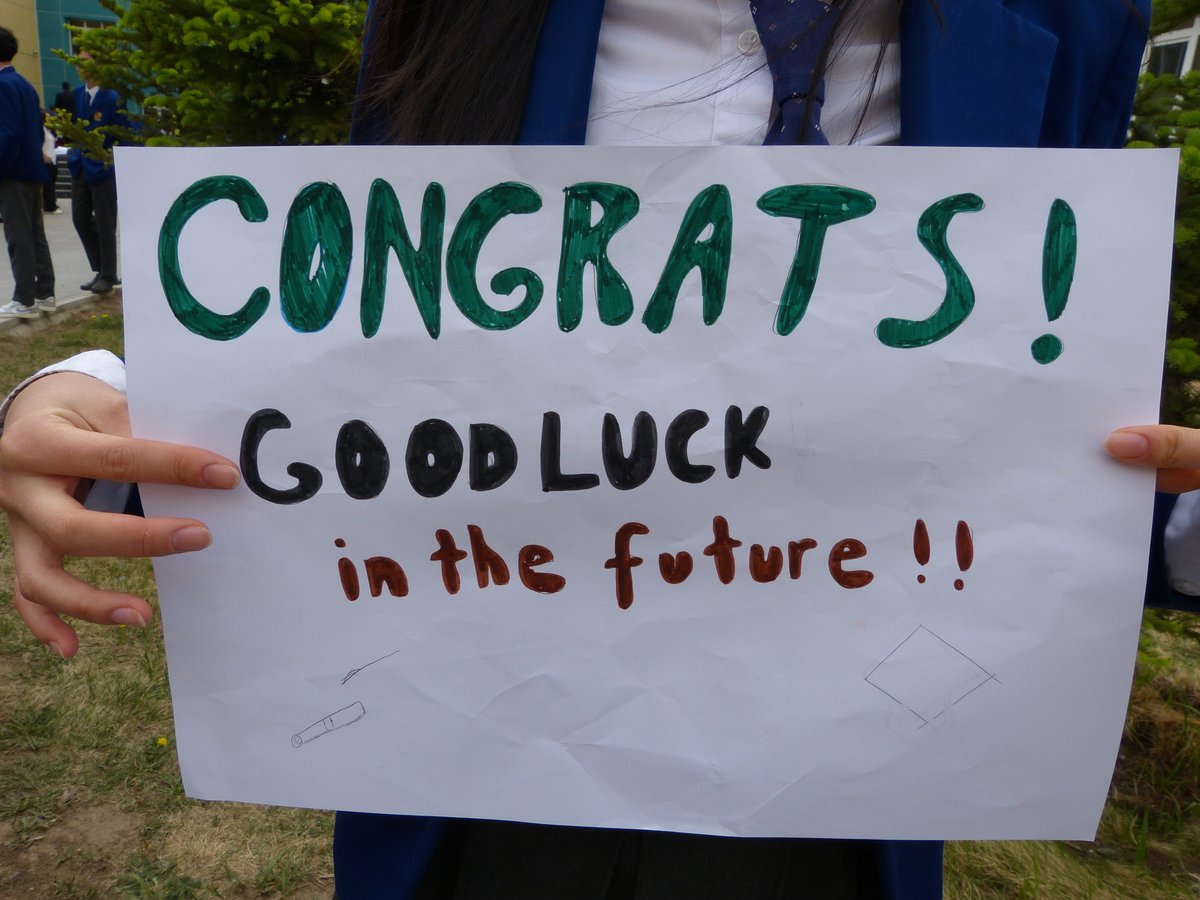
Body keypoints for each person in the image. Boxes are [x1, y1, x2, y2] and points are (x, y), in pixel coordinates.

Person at [0, 1, 1172, 897]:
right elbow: (380, 303)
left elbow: (1032, 377)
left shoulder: (1068, 19)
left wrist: (1165, 518)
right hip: (482, 731)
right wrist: (95, 394)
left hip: (840, 761)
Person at [0, 26, 55, 320]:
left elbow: (7, 134)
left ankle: (24, 299)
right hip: (31, 169)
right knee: (35, 235)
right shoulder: (23, 84)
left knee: (18, 235)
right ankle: (45, 292)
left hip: (13, 173)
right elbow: (33, 129)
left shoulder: (2, 85)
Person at [67, 50, 124, 295]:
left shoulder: (112, 97)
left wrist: (111, 162)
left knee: (105, 222)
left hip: (102, 169)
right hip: (81, 166)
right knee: (80, 217)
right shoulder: (78, 95)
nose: (81, 67)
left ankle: (109, 275)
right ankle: (100, 268)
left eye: (86, 62)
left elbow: (123, 133)